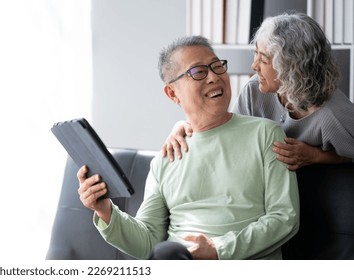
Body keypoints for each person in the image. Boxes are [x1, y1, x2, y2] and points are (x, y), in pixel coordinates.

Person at [77, 36, 299, 260]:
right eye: (198, 72)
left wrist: (218, 250)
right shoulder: (165, 159)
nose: (214, 77)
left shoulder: (266, 134)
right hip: (177, 260)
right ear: (173, 93)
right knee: (167, 253)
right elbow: (147, 242)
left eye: (216, 66)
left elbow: (284, 217)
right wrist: (104, 210)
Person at [162, 13, 354, 170]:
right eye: (256, 54)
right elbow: (226, 129)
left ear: (291, 67)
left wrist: (316, 156)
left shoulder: (332, 114)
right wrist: (184, 126)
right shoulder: (254, 90)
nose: (254, 66)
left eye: (263, 60)